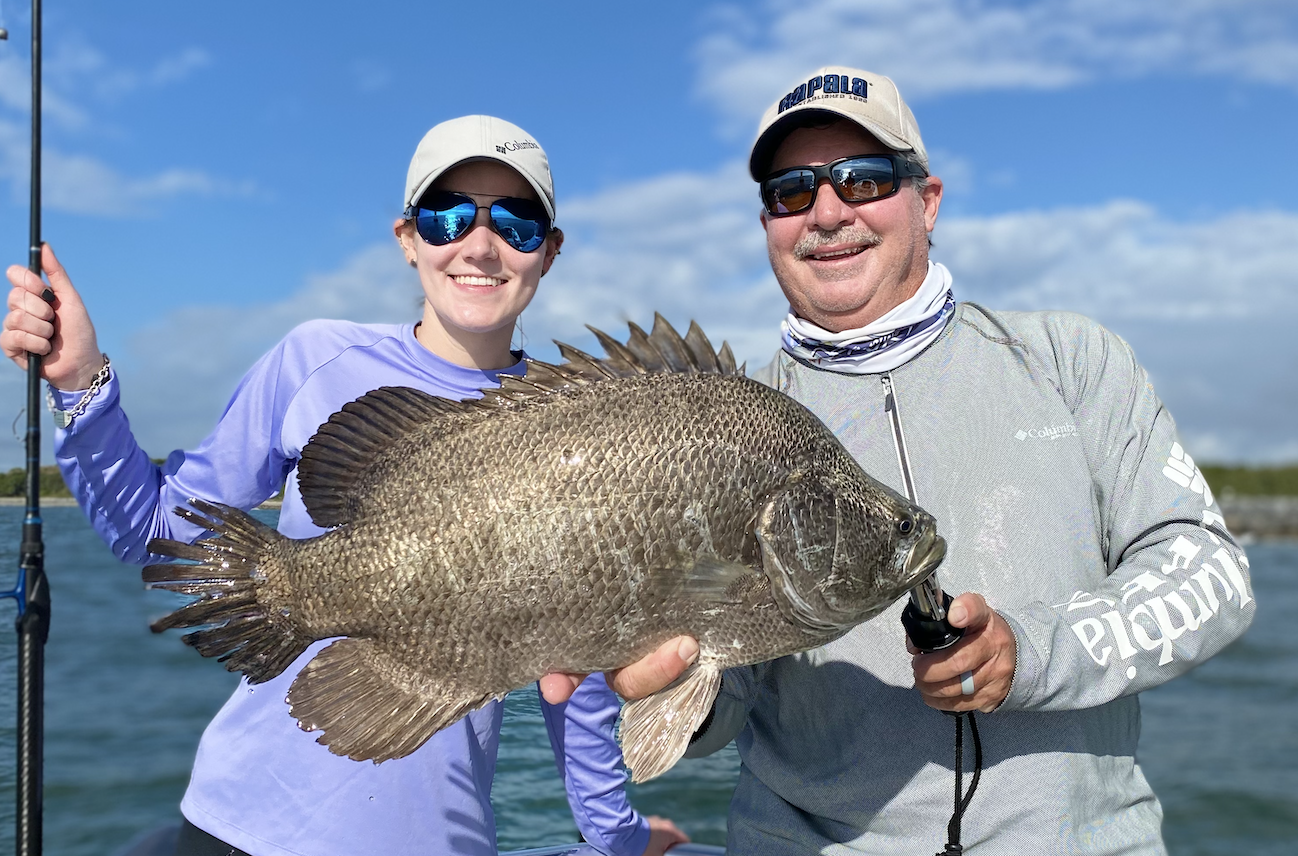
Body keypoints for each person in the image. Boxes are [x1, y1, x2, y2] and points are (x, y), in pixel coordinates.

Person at [553, 67, 1256, 854]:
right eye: (792, 191)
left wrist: (1029, 655)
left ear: (928, 201)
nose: (827, 211)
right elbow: (724, 686)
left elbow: (1209, 571)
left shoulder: (1072, 359)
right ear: (767, 226)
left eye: (863, 179)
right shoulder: (723, 421)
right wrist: (671, 676)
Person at [3, 115, 688, 856]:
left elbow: (578, 666)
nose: (480, 245)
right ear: (407, 238)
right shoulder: (317, 360)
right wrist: (79, 384)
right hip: (241, 826)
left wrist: (616, 835)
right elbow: (160, 536)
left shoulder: (583, 434)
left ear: (548, 252)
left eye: (518, 222)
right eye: (448, 215)